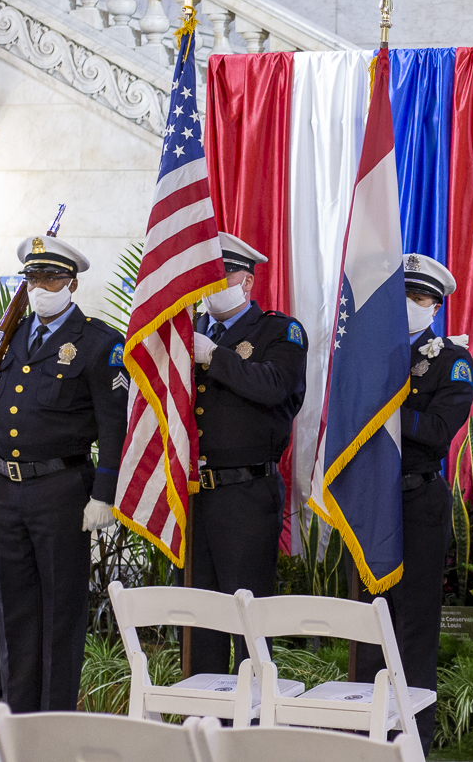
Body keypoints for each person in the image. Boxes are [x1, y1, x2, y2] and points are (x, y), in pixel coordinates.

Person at [0, 231, 127, 741]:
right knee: (14, 610)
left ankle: (56, 723)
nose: (41, 286)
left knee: (60, 611)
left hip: (62, 492)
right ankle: (17, 721)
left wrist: (103, 494)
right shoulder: (14, 337)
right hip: (9, 493)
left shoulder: (99, 343)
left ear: (72, 284)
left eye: (52, 278)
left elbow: (113, 425)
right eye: (34, 277)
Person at [356, 252, 473, 755]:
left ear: (435, 306)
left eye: (418, 298)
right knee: (365, 620)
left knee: (415, 625)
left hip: (417, 500)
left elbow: (439, 432)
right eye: (401, 295)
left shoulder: (451, 359)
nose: (408, 305)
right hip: (366, 503)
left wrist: (384, 404)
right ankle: (363, 730)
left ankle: (413, 737)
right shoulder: (365, 349)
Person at [189, 232, 307, 676]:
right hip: (196, 491)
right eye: (209, 274)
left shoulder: (280, 331)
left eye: (225, 274)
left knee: (247, 615)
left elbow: (273, 386)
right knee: (201, 615)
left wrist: (215, 356)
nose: (215, 283)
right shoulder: (192, 329)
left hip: (246, 492)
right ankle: (205, 721)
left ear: (247, 281)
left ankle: (251, 721)